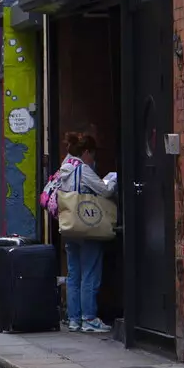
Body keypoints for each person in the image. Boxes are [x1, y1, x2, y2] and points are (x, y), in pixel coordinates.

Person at [54, 131, 116, 333]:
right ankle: (89, 318)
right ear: (87, 152)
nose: (94, 159)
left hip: (70, 227)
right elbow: (104, 190)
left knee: (74, 274)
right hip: (87, 226)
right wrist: (112, 178)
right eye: (93, 155)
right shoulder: (83, 169)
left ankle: (74, 319)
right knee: (90, 273)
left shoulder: (65, 167)